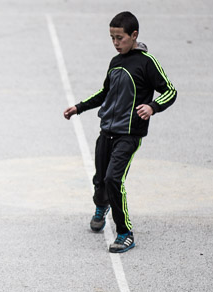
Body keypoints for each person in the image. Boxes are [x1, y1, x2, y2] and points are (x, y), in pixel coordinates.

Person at [63, 11, 176, 253]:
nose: (115, 43)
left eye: (120, 38)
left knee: (114, 179)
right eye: (112, 38)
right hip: (107, 132)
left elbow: (170, 91)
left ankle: (125, 233)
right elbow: (105, 94)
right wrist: (79, 107)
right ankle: (101, 205)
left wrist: (152, 107)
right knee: (100, 182)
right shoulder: (115, 63)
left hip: (129, 134)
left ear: (134, 35)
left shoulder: (147, 62)